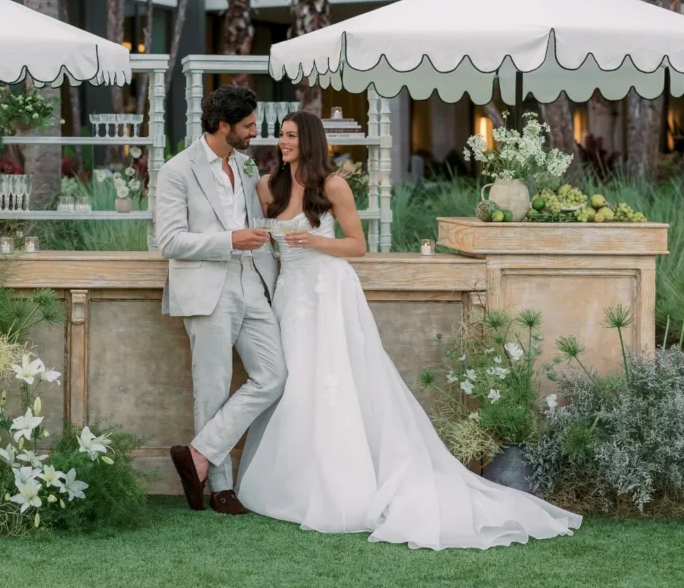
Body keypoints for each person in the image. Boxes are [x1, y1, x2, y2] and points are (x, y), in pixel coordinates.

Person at [235, 110, 582, 550]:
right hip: (290, 294)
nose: (281, 142)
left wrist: (316, 241)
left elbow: (357, 246)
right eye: (280, 136)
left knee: (335, 378)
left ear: (308, 140)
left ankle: (345, 484)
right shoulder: (268, 186)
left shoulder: (333, 185)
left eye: (289, 136)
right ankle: (292, 479)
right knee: (294, 382)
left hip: (329, 289)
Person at [154, 85, 286, 515]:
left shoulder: (247, 168)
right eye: (248, 125)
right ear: (224, 126)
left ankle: (197, 456)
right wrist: (229, 241)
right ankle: (220, 488)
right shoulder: (177, 170)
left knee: (273, 376)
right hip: (208, 288)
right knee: (210, 389)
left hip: (254, 283)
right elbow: (169, 241)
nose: (255, 132)